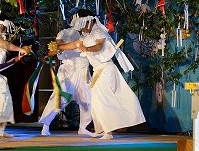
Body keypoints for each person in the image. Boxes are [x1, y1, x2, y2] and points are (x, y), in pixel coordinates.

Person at [59, 11, 145, 140]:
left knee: (102, 100)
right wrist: (59, 47)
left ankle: (108, 131)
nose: (81, 27)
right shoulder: (86, 36)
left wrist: (87, 49)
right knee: (97, 101)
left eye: (81, 24)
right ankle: (106, 130)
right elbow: (75, 44)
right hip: (98, 71)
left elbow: (99, 45)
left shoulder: (99, 31)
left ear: (88, 21)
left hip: (106, 69)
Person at [39, 11, 96, 137]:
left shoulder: (88, 33)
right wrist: (54, 50)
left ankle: (83, 127)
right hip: (69, 69)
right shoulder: (65, 32)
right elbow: (56, 47)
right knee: (60, 98)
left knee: (88, 99)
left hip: (83, 69)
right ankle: (46, 125)